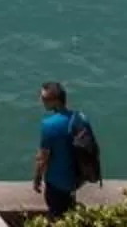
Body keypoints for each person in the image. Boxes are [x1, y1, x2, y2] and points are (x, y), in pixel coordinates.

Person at [33, 81, 86, 217]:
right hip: (75, 180)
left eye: (44, 98)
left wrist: (37, 179)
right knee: (69, 211)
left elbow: (42, 158)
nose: (41, 101)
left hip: (56, 183)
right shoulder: (81, 118)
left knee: (56, 215)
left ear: (56, 102)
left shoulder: (49, 125)